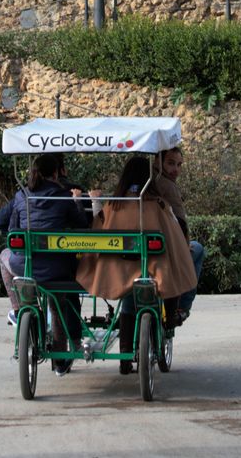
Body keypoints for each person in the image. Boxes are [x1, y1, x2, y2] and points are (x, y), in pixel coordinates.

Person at [76, 155, 196, 374]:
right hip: (153, 269)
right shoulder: (157, 204)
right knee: (166, 272)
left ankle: (124, 358)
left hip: (117, 269)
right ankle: (169, 321)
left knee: (129, 298)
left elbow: (98, 229)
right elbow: (175, 238)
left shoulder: (115, 205)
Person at [0, 152, 91, 375]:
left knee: (4, 256)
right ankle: (60, 362)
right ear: (57, 172)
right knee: (56, 306)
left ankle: (19, 309)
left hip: (25, 266)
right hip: (58, 268)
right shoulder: (64, 196)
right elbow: (82, 225)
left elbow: (11, 230)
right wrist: (78, 202)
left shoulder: (22, 196)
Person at [155, 146, 205, 321]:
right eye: (170, 163)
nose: (175, 169)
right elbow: (181, 221)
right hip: (164, 252)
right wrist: (184, 245)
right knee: (197, 249)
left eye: (179, 164)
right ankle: (182, 307)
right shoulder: (167, 185)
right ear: (157, 162)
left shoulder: (138, 187)